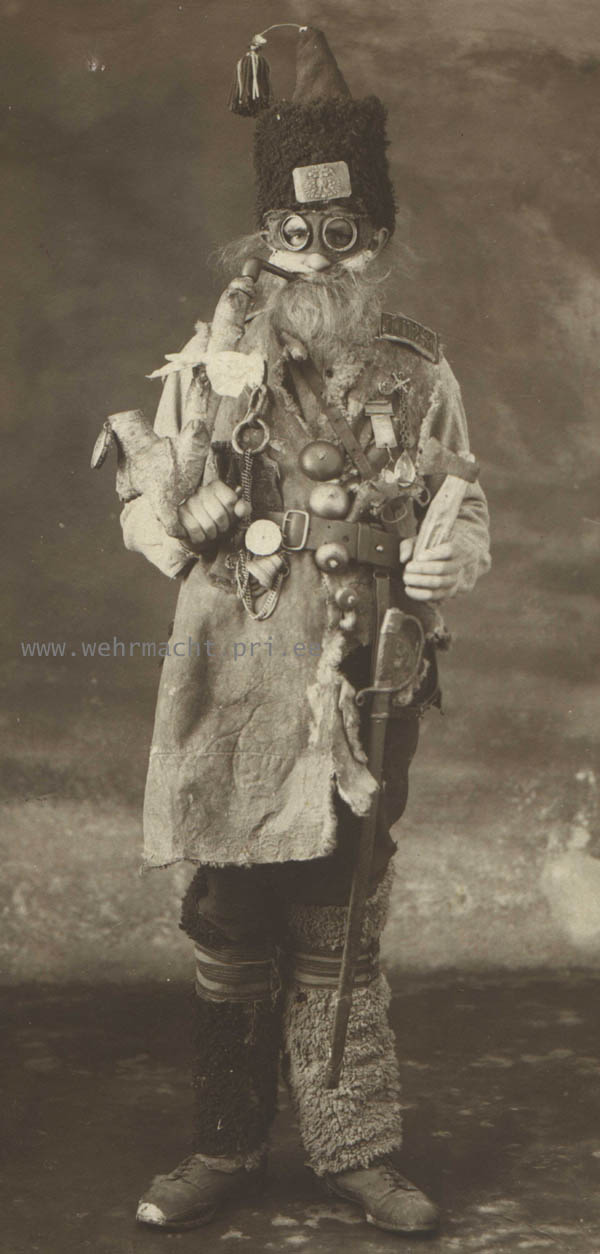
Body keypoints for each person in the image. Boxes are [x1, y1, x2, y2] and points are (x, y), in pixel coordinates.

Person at [114, 25, 490, 1237]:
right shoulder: (210, 365)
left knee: (342, 912)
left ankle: (353, 1148)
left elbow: (463, 497)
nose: (316, 257)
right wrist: (170, 520)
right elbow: (147, 502)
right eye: (294, 233)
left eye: (342, 235)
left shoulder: (418, 370)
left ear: (375, 238)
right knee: (229, 913)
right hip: (233, 670)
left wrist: (446, 560)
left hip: (361, 673)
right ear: (263, 237)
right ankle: (225, 1144)